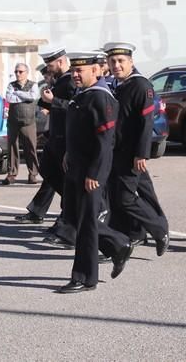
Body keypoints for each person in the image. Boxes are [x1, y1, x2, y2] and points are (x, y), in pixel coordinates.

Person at [58, 54, 133, 293]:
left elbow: (105, 141)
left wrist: (95, 173)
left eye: (81, 71)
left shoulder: (101, 98)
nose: (76, 75)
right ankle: (119, 244)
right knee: (75, 219)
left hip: (91, 171)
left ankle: (84, 277)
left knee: (87, 225)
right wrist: (69, 153)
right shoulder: (82, 95)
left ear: (96, 71)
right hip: (77, 167)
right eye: (74, 71)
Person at [104, 42, 169, 257]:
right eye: (112, 61)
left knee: (125, 198)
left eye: (121, 61)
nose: (116, 65)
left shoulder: (141, 85)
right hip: (116, 150)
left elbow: (146, 122)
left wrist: (142, 153)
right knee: (120, 196)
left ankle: (159, 230)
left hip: (131, 153)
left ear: (131, 62)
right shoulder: (116, 84)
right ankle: (129, 237)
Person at [14, 49, 75, 240]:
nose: (48, 69)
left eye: (50, 65)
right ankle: (61, 214)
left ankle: (67, 222)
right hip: (55, 138)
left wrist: (54, 100)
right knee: (48, 171)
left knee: (67, 182)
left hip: (66, 139)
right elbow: (46, 105)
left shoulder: (71, 80)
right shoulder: (61, 81)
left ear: (61, 62)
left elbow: (77, 106)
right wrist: (49, 97)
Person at [3, 63, 40, 185]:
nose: (18, 74)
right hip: (13, 121)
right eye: (16, 72)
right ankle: (12, 173)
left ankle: (33, 174)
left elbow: (33, 97)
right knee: (12, 148)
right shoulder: (11, 85)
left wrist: (18, 93)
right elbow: (9, 98)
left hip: (28, 121)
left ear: (26, 72)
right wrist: (25, 96)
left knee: (30, 148)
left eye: (20, 72)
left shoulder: (33, 85)